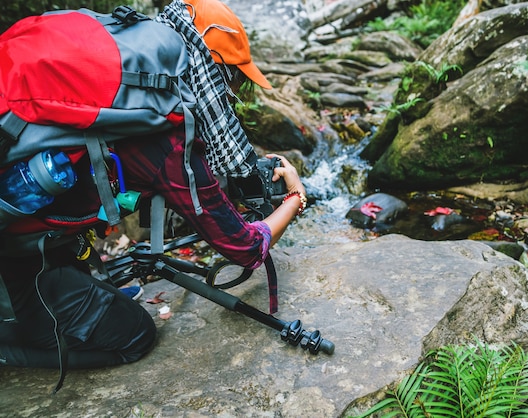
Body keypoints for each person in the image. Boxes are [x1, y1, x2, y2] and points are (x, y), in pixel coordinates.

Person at [0, 0, 306, 391]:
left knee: (99, 290)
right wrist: (294, 196)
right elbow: (244, 248)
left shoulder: (130, 77)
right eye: (235, 81)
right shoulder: (168, 132)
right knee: (135, 334)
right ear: (215, 73)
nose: (234, 94)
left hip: (33, 229)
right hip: (20, 255)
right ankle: (10, 346)